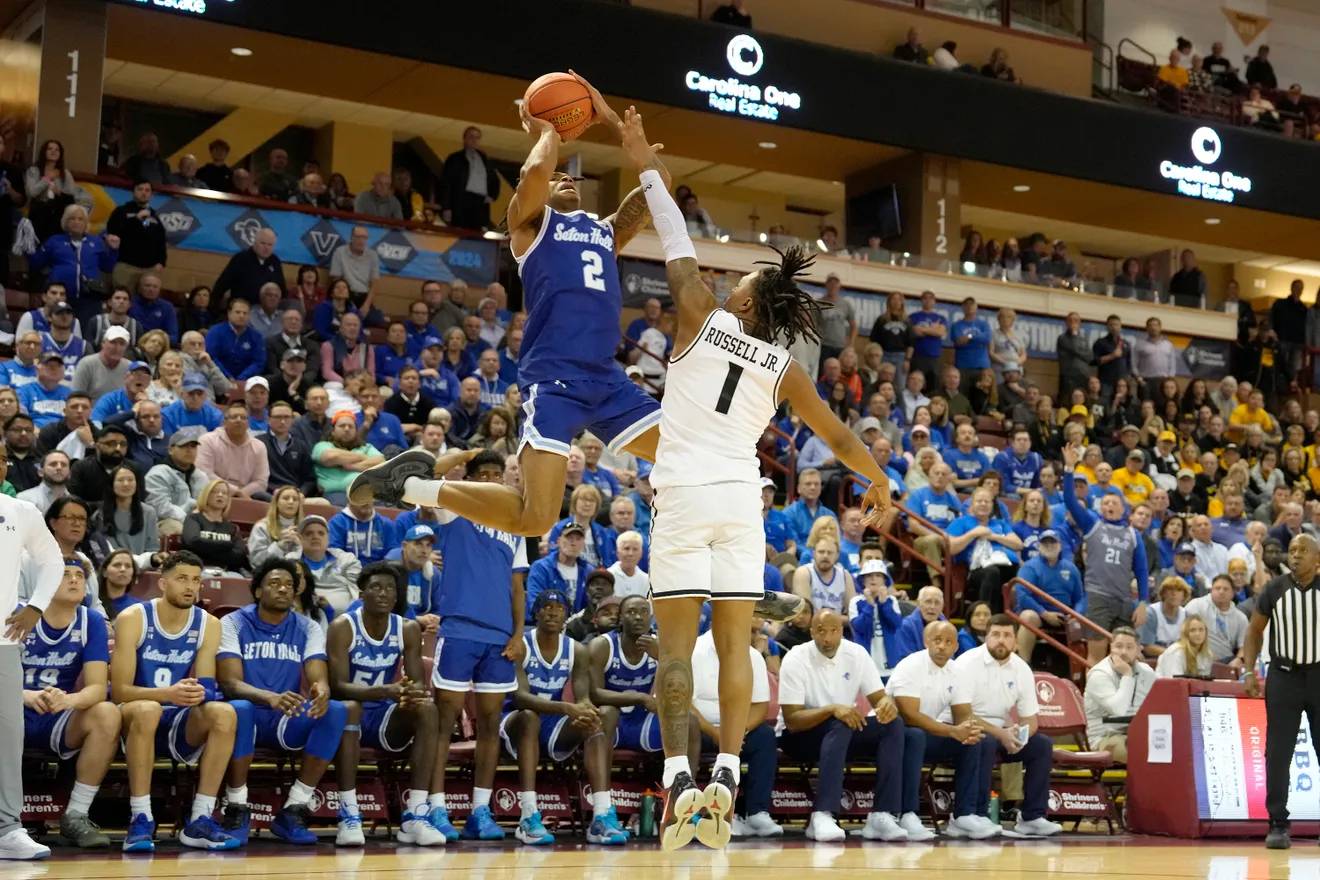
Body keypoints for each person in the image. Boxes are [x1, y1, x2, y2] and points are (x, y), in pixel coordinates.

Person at [110, 550, 248, 851]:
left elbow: (208, 686)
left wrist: (200, 693)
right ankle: (141, 817)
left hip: (176, 716)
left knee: (224, 713)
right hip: (133, 715)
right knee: (148, 710)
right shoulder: (133, 618)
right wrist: (166, 694)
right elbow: (120, 691)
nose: (190, 586)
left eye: (196, 580)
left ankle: (200, 819)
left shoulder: (209, 623)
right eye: (182, 579)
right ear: (162, 583)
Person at [426, 449, 530, 843]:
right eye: (481, 473)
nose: (490, 480)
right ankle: (435, 806)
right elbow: (421, 473)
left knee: (490, 725)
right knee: (444, 720)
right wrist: (461, 456)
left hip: (500, 637)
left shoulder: (513, 524)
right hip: (460, 629)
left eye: (495, 474)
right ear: (468, 479)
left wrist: (519, 633)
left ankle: (480, 810)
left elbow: (516, 586)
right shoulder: (454, 509)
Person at [217, 558, 350, 845]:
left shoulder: (308, 627)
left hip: (285, 715)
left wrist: (322, 690)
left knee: (337, 711)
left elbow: (317, 672)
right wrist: (269, 697)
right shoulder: (233, 622)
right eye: (275, 583)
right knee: (239, 709)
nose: (283, 589)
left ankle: (294, 809)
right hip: (247, 715)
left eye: (289, 585)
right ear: (257, 591)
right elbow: (229, 682)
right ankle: (236, 806)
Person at [777, 608, 927, 843]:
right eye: (820, 631)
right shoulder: (796, 658)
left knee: (893, 725)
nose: (827, 637)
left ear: (842, 631)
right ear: (811, 632)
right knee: (840, 721)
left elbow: (879, 697)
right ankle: (823, 814)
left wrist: (887, 704)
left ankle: (882, 814)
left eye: (833, 630)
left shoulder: (856, 654)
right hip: (798, 737)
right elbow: (792, 720)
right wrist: (832, 708)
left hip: (841, 733)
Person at [326, 563, 446, 846]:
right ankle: (349, 813)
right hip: (344, 717)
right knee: (350, 707)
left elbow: (416, 682)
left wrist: (410, 693)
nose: (384, 594)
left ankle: (415, 814)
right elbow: (338, 687)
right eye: (376, 587)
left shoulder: (406, 628)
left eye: (390, 588)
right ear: (362, 592)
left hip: (382, 717)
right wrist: (386, 690)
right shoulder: (342, 626)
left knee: (427, 709)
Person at [500, 589, 618, 846]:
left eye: (559, 608)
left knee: (601, 717)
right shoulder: (522, 645)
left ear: (567, 614)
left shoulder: (577, 649)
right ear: (536, 612)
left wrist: (586, 710)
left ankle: (601, 815)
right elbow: (520, 697)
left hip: (552, 723)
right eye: (546, 607)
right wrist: (568, 708)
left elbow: (583, 696)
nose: (552, 612)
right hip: (513, 722)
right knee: (529, 716)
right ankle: (528, 814)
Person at [19, 557, 118, 848]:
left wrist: (68, 699)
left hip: (57, 713)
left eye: (79, 575)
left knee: (107, 714)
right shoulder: (15, 613)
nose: (75, 580)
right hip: (13, 707)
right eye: (65, 574)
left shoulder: (92, 621)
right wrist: (23, 695)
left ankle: (76, 815)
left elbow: (98, 688)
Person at [951, 615, 1062, 836]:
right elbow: (962, 715)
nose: (1001, 640)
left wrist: (1018, 736)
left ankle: (1032, 816)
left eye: (1007, 635)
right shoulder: (967, 662)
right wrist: (1001, 734)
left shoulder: (1021, 669)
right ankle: (976, 815)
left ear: (1016, 641)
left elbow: (1030, 719)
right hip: (962, 730)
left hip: (1000, 733)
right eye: (996, 635)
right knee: (986, 739)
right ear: (986, 637)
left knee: (1041, 745)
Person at [0, 486, 65, 859]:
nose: (1, 464)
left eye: (5, 459)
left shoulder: (20, 511)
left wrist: (36, 606)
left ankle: (7, 829)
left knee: (9, 738)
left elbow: (53, 560)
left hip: (4, 641)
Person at [1243, 534, 1320, 848]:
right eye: (1292, 550)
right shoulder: (1274, 589)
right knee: (1277, 752)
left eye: (1303, 550)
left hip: (1319, 676)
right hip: (1284, 677)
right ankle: (1277, 823)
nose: (1296, 555)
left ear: (1317, 559)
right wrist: (1249, 670)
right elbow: (1254, 631)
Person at [887, 620, 993, 839]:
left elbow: (963, 716)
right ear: (927, 641)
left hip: (928, 735)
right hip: (894, 736)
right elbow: (909, 716)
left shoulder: (958, 672)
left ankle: (964, 816)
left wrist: (966, 730)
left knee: (974, 740)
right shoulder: (911, 665)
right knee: (915, 736)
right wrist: (953, 731)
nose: (942, 646)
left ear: (956, 646)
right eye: (937, 640)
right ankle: (908, 814)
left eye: (948, 642)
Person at [1063, 444, 1150, 663]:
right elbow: (1070, 502)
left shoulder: (1133, 534)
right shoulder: (1093, 524)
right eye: (1105, 502)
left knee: (1125, 655)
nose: (1109, 505)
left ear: (1124, 508)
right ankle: (1091, 697)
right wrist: (1068, 469)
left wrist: (1143, 602)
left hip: (1123, 599)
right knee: (1097, 654)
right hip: (1098, 596)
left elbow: (1141, 570)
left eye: (1114, 502)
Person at [1082, 626, 1156, 762]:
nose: (1123, 652)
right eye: (1119, 646)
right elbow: (1118, 710)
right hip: (1104, 737)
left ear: (1138, 649)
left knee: (1170, 744)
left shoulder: (1147, 673)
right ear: (1111, 648)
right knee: (1139, 750)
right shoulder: (1099, 674)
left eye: (1129, 647)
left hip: (1136, 732)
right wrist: (1127, 675)